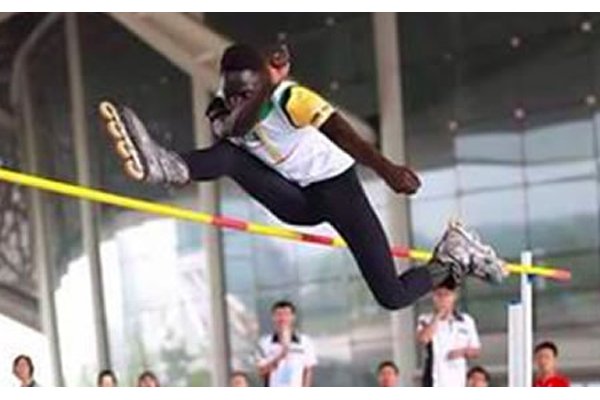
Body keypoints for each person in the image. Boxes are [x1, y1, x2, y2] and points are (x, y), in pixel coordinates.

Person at [99, 42, 507, 312]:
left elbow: (344, 135)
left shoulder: (292, 99)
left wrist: (386, 170)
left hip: (339, 192)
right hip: (297, 201)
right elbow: (225, 143)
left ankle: (452, 256)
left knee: (392, 295)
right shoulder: (223, 112)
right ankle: (168, 166)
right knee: (230, 157)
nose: (238, 105)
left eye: (247, 97)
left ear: (264, 86)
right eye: (233, 97)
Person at [417, 283, 481, 387]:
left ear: (454, 297)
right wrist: (437, 316)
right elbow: (424, 339)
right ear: (434, 298)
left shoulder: (466, 321)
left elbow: (476, 350)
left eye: (446, 295)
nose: (443, 299)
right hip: (434, 377)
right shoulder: (425, 319)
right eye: (439, 295)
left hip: (458, 378)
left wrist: (461, 352)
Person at [256, 300, 316, 387]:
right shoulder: (264, 342)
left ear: (293, 317)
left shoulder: (305, 342)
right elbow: (261, 371)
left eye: (286, 314)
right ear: (273, 317)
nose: (283, 318)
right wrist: (280, 355)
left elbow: (308, 370)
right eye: (279, 314)